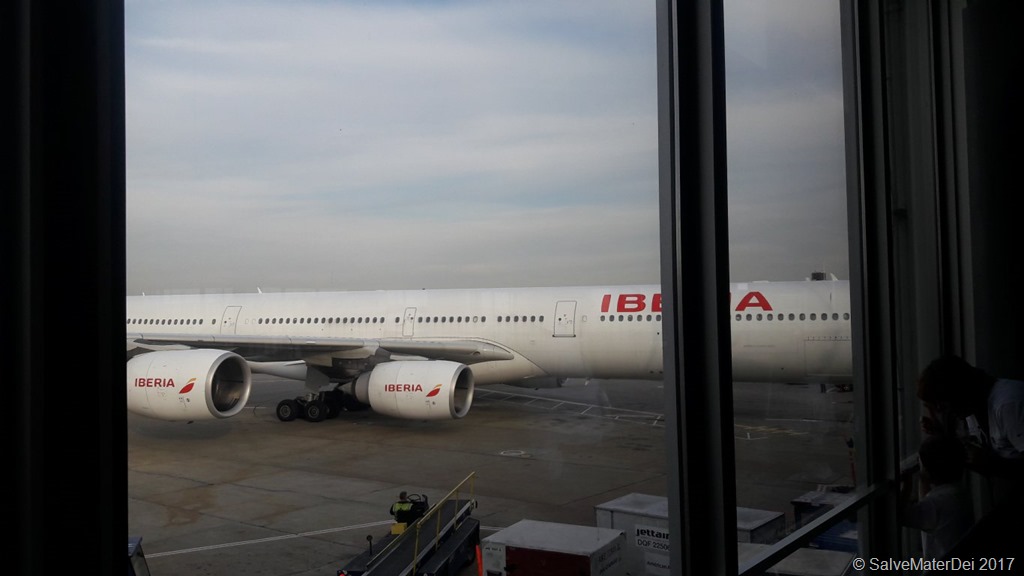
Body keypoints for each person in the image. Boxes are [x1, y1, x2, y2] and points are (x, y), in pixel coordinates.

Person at [917, 355, 1024, 481]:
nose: (949, 412)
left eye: (944, 405)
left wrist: (993, 463)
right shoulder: (974, 410)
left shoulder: (1009, 405)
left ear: (958, 393)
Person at [901, 435, 973, 559]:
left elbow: (901, 516)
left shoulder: (937, 504)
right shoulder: (956, 492)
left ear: (928, 470)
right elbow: (926, 499)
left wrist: (906, 486)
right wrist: (923, 478)